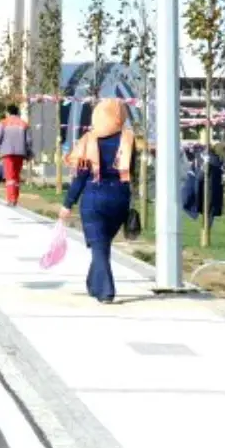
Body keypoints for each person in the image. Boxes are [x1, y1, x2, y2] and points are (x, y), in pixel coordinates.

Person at [58, 98, 136, 304]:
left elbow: (81, 176)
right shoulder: (128, 139)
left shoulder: (89, 140)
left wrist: (68, 203)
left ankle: (106, 290)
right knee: (102, 244)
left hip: (94, 195)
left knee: (99, 245)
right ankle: (94, 283)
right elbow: (131, 170)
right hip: (120, 197)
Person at [0, 104, 33, 205]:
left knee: (10, 176)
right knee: (16, 176)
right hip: (20, 153)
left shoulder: (3, 123)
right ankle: (15, 198)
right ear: (17, 112)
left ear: (8, 112)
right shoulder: (24, 124)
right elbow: (28, 141)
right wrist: (29, 153)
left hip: (7, 153)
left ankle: (11, 199)